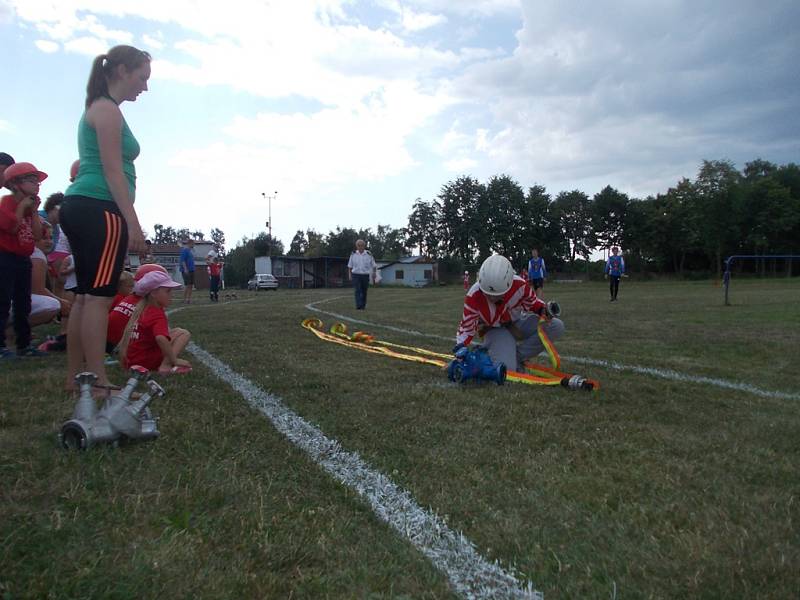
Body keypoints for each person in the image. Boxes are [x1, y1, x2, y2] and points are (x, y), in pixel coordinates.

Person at [59, 44, 150, 391]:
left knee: (85, 296)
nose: (145, 87)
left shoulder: (98, 108)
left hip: (83, 205)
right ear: (122, 71)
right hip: (100, 207)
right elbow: (113, 172)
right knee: (98, 297)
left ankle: (75, 378)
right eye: (142, 78)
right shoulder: (108, 110)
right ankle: (96, 380)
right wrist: (133, 223)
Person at [455, 254, 564, 373]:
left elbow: (533, 303)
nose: (492, 298)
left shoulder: (520, 285)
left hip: (517, 322)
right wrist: (460, 352)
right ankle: (498, 353)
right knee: (507, 370)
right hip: (495, 329)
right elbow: (466, 328)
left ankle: (517, 356)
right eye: (487, 294)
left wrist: (544, 310)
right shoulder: (473, 296)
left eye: (497, 295)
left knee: (556, 326)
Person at [0, 162, 46, 359]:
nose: (37, 185)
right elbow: (10, 227)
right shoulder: (6, 202)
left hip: (23, 258)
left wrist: (34, 211)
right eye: (31, 180)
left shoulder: (31, 207)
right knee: (2, 301)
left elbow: (37, 236)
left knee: (23, 303)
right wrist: (22, 209)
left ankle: (24, 344)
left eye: (38, 181)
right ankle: (1, 346)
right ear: (15, 183)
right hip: (5, 257)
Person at [119, 270, 192, 374]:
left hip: (133, 360)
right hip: (145, 362)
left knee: (177, 331)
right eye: (168, 291)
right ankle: (165, 365)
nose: (171, 295)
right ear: (153, 293)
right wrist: (174, 360)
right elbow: (160, 338)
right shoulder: (157, 314)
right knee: (184, 333)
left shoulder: (142, 309)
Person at [107, 264, 168, 352]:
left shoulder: (127, 298)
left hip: (104, 340)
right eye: (167, 289)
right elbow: (159, 336)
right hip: (120, 345)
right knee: (179, 334)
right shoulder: (148, 304)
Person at [29, 221, 71, 332]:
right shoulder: (37, 255)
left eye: (51, 238)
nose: (49, 242)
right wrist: (62, 303)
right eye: (44, 238)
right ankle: (14, 330)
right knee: (52, 305)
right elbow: (37, 290)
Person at [347, 239, 376, 310]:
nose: (360, 247)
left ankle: (363, 305)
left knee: (364, 291)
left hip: (365, 275)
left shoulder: (369, 254)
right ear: (356, 246)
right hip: (355, 275)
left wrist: (374, 273)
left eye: (361, 245)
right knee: (357, 290)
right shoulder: (353, 254)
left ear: (364, 246)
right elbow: (350, 266)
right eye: (358, 245)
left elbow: (374, 265)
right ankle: (358, 305)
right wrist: (349, 275)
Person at [179, 239, 195, 304]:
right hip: (186, 270)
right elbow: (183, 260)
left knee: (191, 285)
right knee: (187, 285)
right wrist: (185, 269)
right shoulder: (185, 250)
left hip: (192, 270)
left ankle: (189, 299)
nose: (193, 245)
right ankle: (184, 299)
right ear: (189, 243)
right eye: (193, 243)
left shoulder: (190, 251)